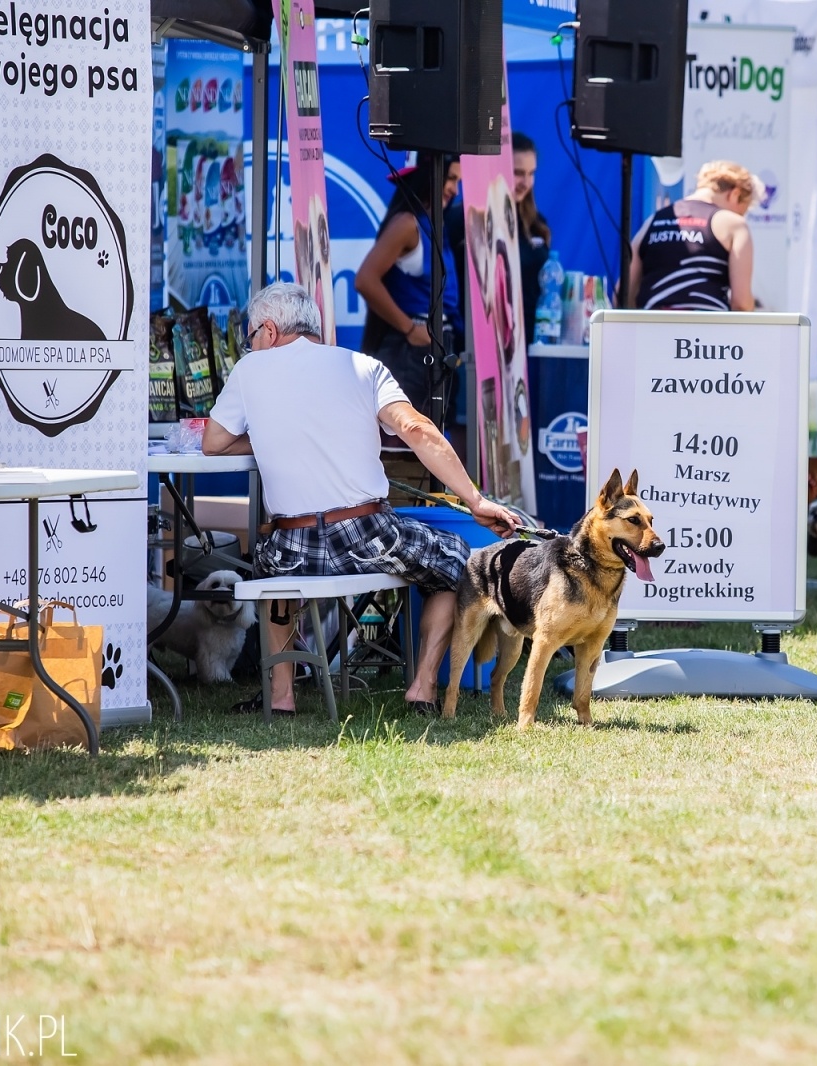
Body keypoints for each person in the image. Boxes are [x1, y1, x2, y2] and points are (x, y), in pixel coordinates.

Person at [203, 283, 520, 715]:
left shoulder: (249, 370)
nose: (251, 345)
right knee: (460, 564)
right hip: (368, 534)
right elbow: (418, 432)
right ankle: (423, 687)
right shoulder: (363, 367)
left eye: (252, 336)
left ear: (271, 331)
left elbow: (213, 443)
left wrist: (267, 432)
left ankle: (281, 698)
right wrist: (475, 500)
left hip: (291, 546)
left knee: (271, 564)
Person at [354, 155, 463, 422]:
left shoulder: (436, 226)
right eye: (450, 178)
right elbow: (365, 280)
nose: (455, 189)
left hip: (437, 347)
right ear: (428, 173)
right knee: (406, 448)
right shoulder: (407, 223)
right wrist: (410, 329)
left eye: (457, 181)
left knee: (432, 445)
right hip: (410, 353)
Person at [628, 160, 758, 311]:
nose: (740, 215)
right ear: (735, 195)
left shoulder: (652, 221)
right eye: (742, 210)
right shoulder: (734, 224)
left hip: (652, 327)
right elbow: (741, 303)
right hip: (707, 328)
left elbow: (623, 293)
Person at [511, 132, 555, 342]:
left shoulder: (537, 224)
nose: (526, 182)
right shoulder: (470, 220)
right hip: (484, 348)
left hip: (532, 342)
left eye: (531, 173)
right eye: (518, 173)